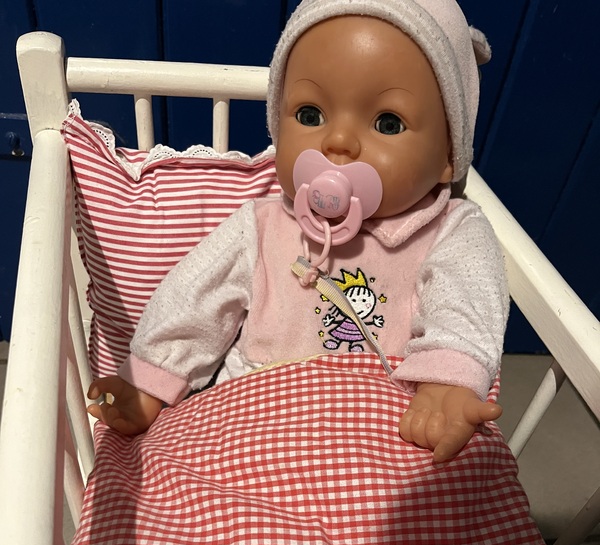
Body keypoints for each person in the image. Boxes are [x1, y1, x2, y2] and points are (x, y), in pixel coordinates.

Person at [88, 0, 508, 463]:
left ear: (449, 156)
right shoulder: (262, 226)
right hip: (252, 417)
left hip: (383, 424)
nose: (338, 141)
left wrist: (447, 379)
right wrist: (149, 379)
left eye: (387, 123)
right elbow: (194, 301)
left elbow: (465, 302)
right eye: (310, 115)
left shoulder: (449, 230)